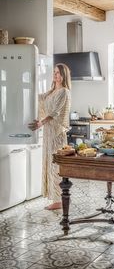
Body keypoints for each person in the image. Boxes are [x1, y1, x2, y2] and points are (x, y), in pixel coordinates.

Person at [28, 63, 71, 210]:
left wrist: (41, 123)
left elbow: (56, 112)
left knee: (56, 166)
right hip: (48, 133)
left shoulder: (64, 92)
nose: (55, 75)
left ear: (64, 75)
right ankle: (54, 197)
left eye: (58, 73)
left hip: (57, 133)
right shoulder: (52, 91)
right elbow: (39, 98)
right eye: (54, 72)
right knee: (49, 163)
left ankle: (59, 200)